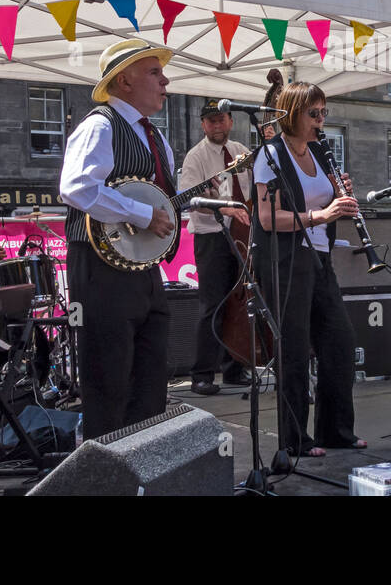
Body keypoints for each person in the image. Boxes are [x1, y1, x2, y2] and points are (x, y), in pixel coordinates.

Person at [60, 39, 177, 439]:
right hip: (99, 268)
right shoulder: (100, 125)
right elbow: (76, 187)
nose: (165, 81)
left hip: (143, 269)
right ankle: (105, 473)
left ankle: (144, 461)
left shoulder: (156, 138)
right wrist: (143, 215)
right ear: (124, 81)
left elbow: (163, 197)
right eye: (154, 72)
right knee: (108, 377)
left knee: (150, 375)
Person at [251, 81, 365, 457]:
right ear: (292, 114)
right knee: (294, 350)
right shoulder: (270, 155)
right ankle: (295, 439)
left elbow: (327, 201)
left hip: (319, 257)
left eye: (323, 113)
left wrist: (340, 192)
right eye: (313, 113)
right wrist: (322, 214)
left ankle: (335, 431)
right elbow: (268, 219)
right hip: (286, 261)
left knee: (340, 343)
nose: (321, 120)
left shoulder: (318, 152)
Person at [179, 100, 254, 396]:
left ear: (231, 121)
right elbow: (188, 198)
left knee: (240, 303)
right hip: (211, 236)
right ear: (203, 125)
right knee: (213, 304)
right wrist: (222, 208)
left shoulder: (241, 152)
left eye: (221, 119)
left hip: (243, 234)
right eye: (211, 121)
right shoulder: (195, 157)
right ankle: (202, 374)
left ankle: (234, 367)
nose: (216, 125)